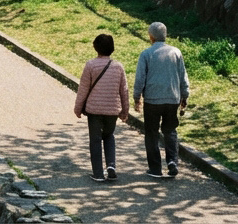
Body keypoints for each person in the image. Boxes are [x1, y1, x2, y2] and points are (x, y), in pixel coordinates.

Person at [133, 22, 190, 179]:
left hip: (152, 99)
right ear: (166, 35)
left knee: (151, 133)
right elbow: (182, 76)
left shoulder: (146, 54)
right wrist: (185, 95)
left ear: (150, 36)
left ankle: (155, 168)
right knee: (170, 131)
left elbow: (140, 78)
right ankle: (172, 162)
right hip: (172, 98)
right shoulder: (176, 52)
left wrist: (137, 97)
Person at [74, 33, 129, 182]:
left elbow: (83, 88)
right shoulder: (118, 67)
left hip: (94, 110)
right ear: (112, 48)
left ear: (96, 47)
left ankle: (98, 173)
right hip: (112, 110)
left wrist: (78, 108)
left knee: (95, 139)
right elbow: (123, 90)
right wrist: (125, 110)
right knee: (109, 136)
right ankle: (111, 165)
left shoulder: (91, 65)